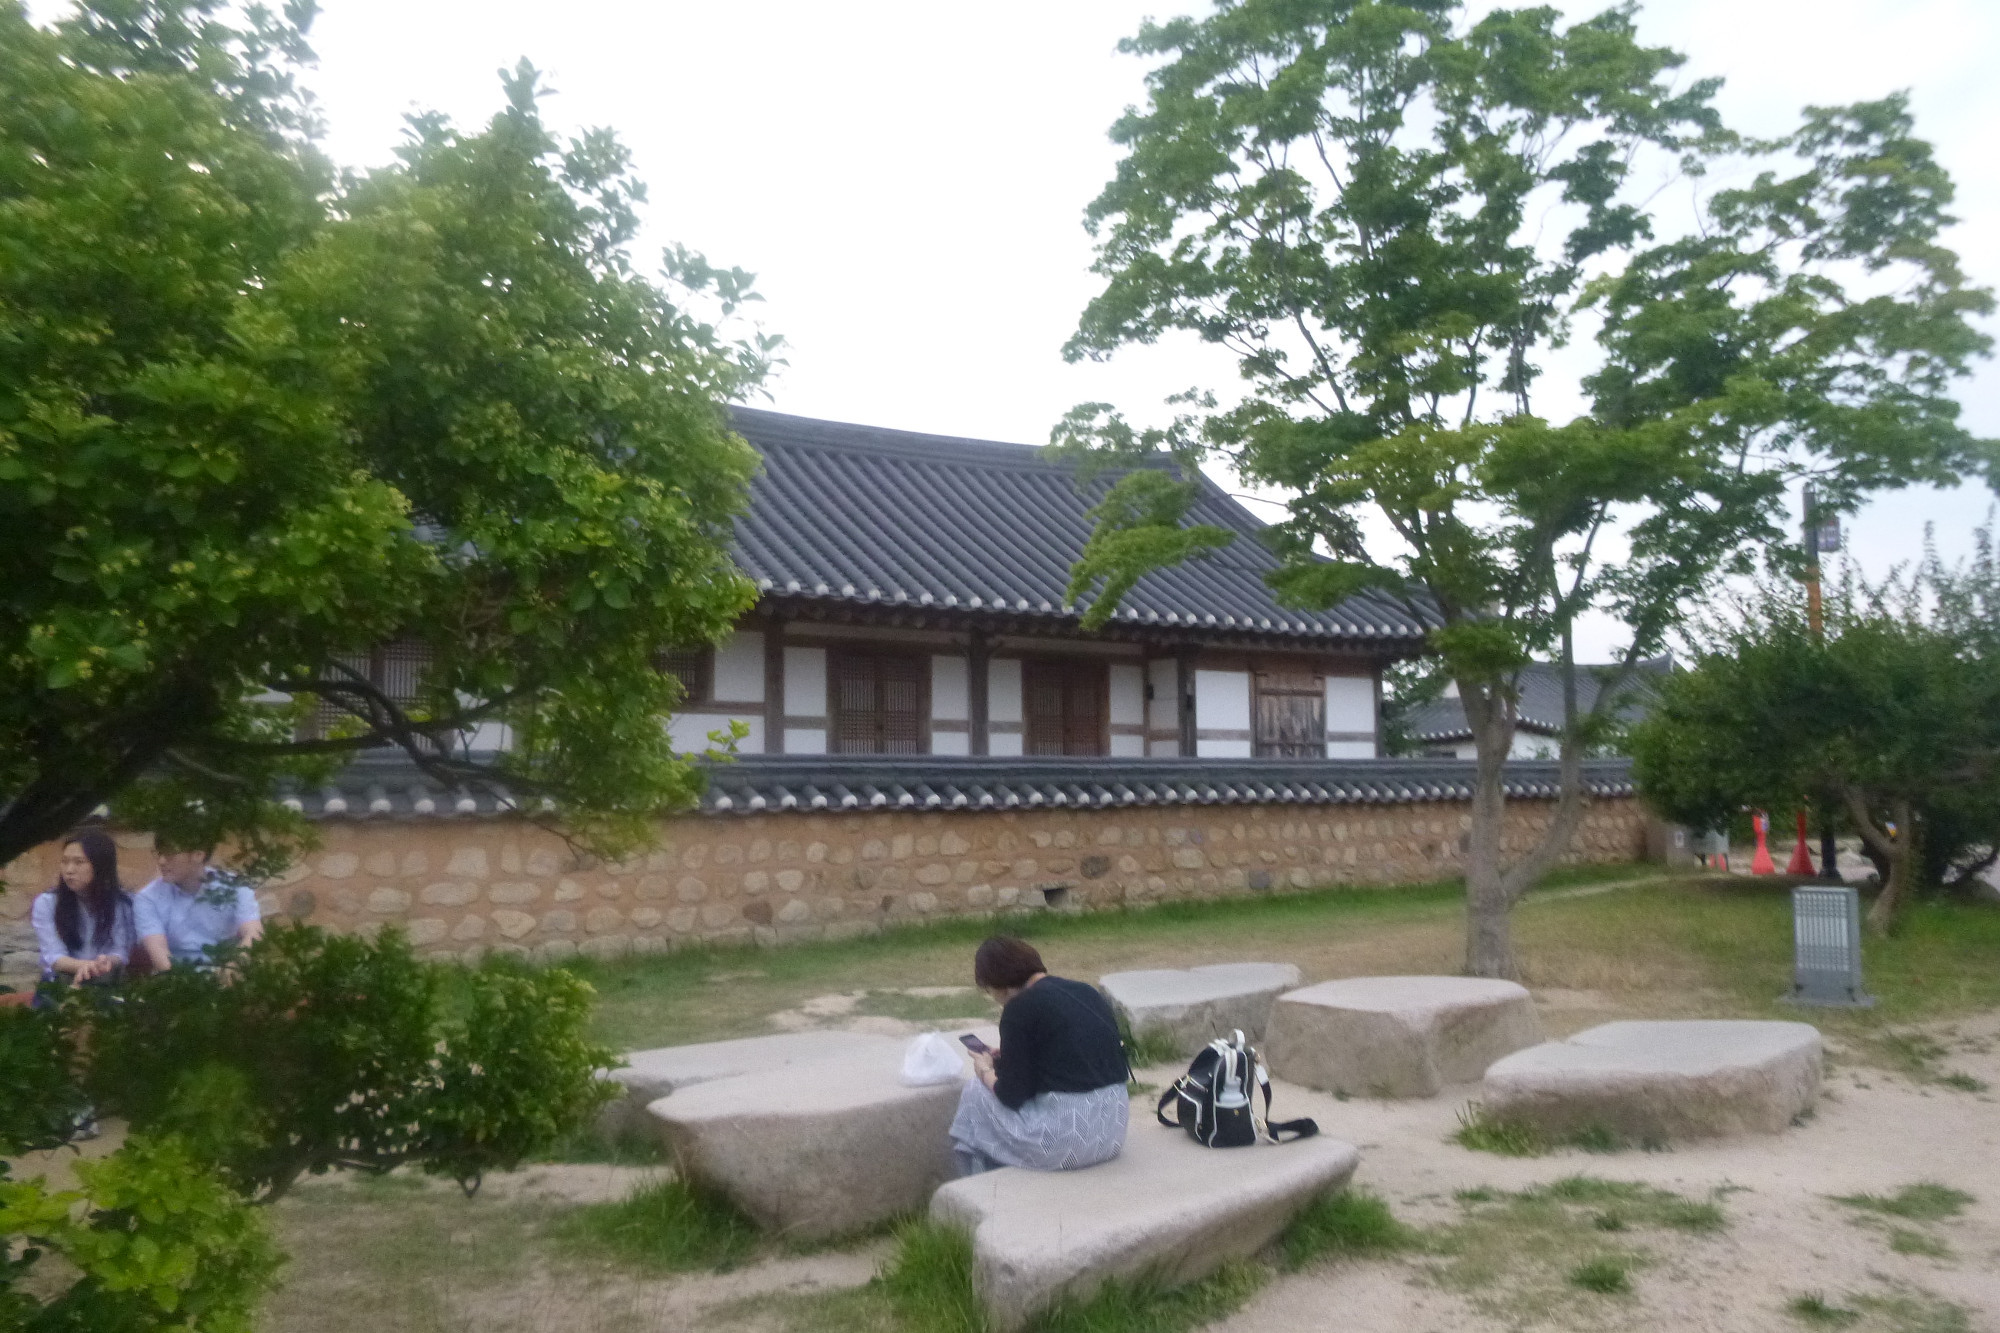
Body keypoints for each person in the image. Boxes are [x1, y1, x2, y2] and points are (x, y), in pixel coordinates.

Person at [948, 936, 1129, 1177]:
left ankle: (975, 1180)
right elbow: (1067, 1056)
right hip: (1112, 1131)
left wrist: (985, 1071)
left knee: (975, 1093)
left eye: (990, 990)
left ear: (999, 983)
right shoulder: (1086, 991)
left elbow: (1011, 1095)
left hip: (1069, 1143)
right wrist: (1010, 1056)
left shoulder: (1019, 1008)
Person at [134, 833, 264, 972]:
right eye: (159, 853)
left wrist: (234, 966)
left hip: (228, 971)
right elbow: (159, 954)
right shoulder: (147, 898)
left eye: (170, 854)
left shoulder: (235, 887)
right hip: (178, 978)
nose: (161, 861)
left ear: (198, 855)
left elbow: (253, 933)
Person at [30, 827, 137, 990]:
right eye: (65, 861)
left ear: (100, 866)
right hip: (61, 978)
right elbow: (55, 957)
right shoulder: (47, 902)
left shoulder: (121, 903)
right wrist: (88, 966)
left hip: (105, 977)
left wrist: (106, 962)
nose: (69, 870)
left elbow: (121, 951)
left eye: (79, 862)